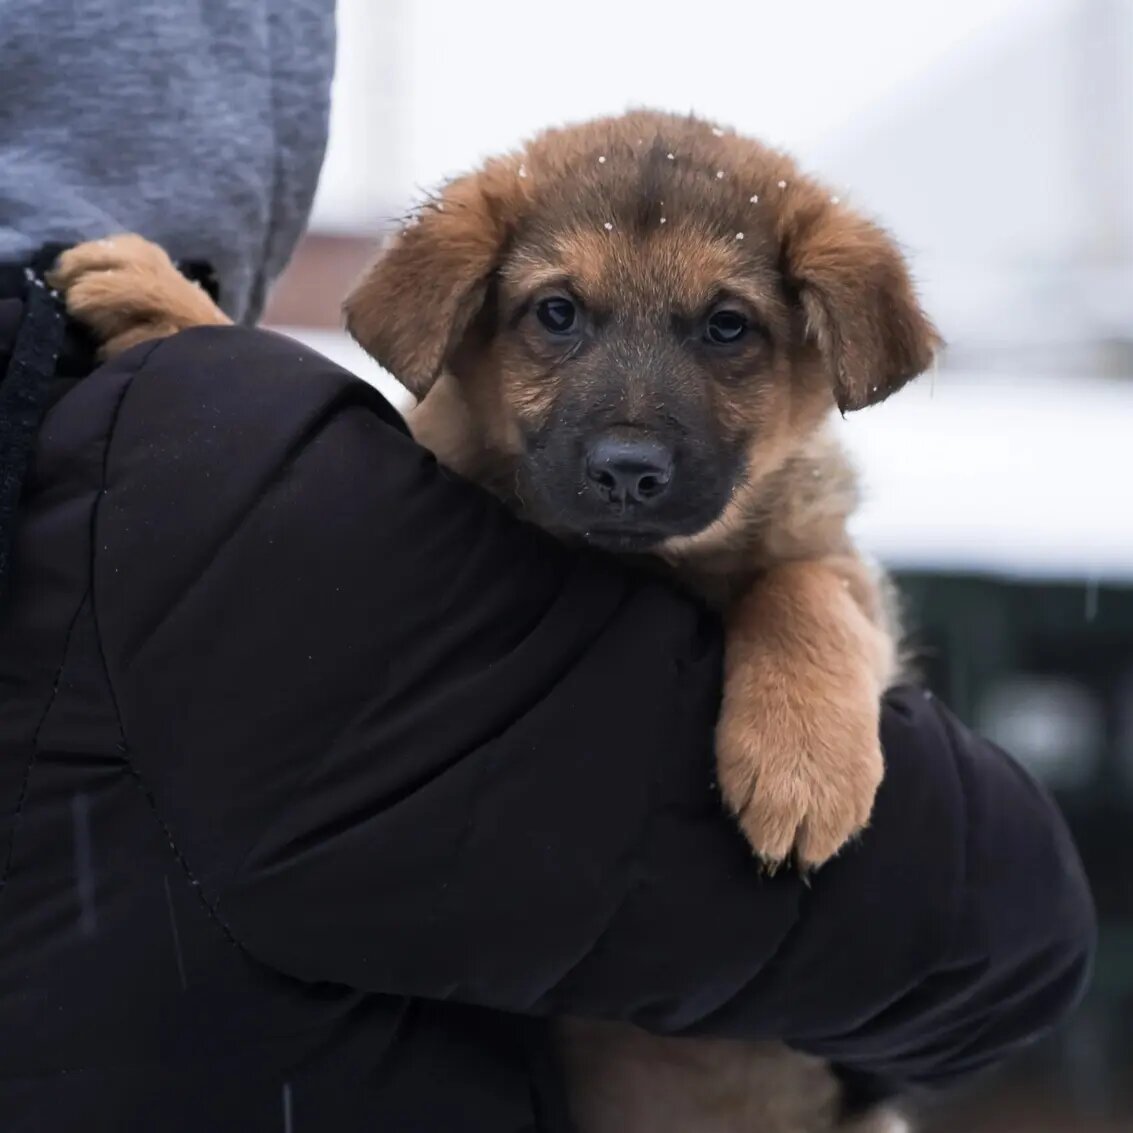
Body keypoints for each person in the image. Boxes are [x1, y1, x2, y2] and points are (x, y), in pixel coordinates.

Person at [0, 3, 1095, 1131]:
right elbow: (992, 933)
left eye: (725, 330)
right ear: (467, 319)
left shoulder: (775, 526)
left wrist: (803, 631)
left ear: (818, 344)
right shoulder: (298, 499)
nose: (630, 429)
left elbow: (817, 563)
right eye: (558, 316)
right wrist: (200, 384)